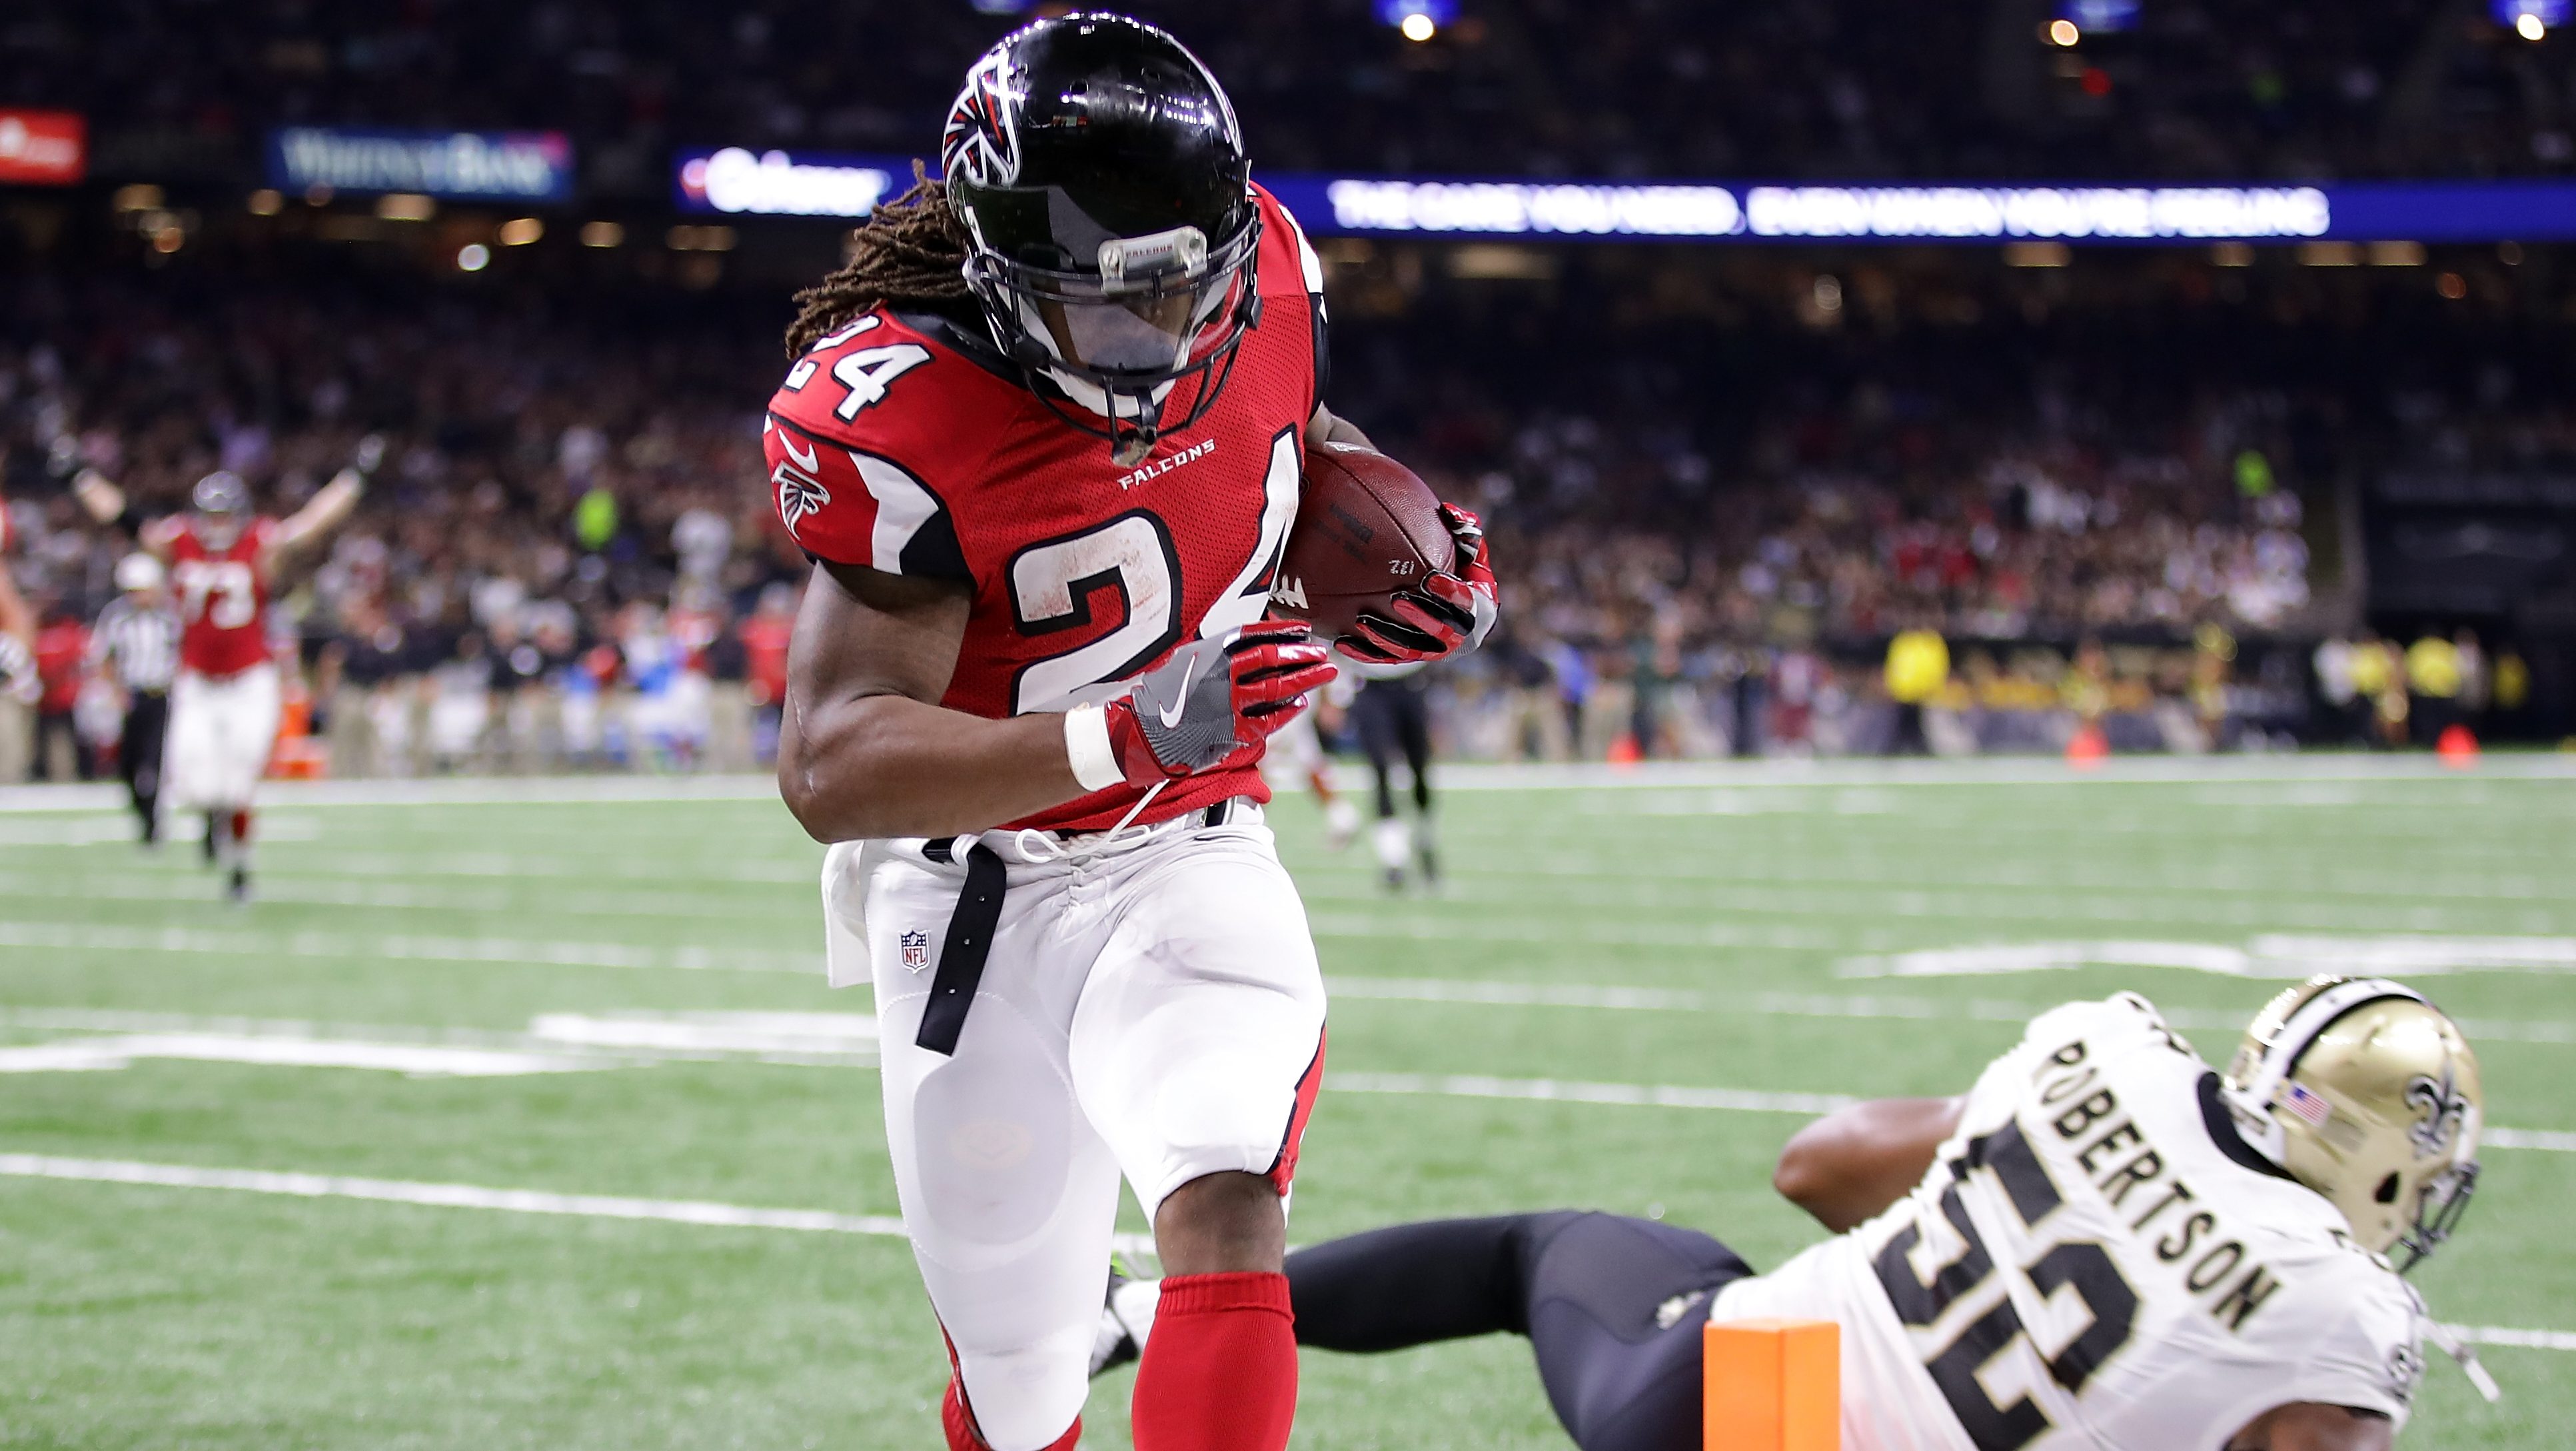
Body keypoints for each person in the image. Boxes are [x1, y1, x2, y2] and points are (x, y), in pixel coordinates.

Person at [762, 16, 1497, 1451]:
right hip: (974, 890)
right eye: (1104, 307)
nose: (1153, 339)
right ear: (998, 272)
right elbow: (830, 763)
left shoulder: (1271, 269)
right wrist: (1122, 732)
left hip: (1192, 848)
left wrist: (1395, 534)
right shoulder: (902, 414)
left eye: (1179, 292)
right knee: (1022, 1373)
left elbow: (1291, 430)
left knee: (1226, 1183)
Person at [1097, 977, 2487, 1451]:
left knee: (1562, 1251)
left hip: (1736, 1395)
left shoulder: (2107, 1047)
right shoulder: (2337, 1304)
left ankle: (1143, 1306)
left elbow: (1814, 1166)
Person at [75, 437, 381, 899]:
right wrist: (78, 477)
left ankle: (239, 868)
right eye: (211, 515)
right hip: (196, 680)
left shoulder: (260, 544)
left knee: (239, 782)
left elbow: (313, 523)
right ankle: (211, 823)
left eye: (225, 515)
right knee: (195, 784)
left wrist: (354, 479)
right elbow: (121, 515)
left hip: (250, 679)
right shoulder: (179, 542)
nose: (217, 526)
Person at [87, 553, 183, 842]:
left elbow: (186, 655)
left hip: (163, 697)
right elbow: (104, 658)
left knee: (155, 762)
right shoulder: (116, 616)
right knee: (127, 765)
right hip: (131, 697)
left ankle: (153, 824)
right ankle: (143, 813)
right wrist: (114, 693)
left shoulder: (171, 616)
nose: (138, 597)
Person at [1347, 659, 1437, 888]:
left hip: (1411, 680)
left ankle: (1424, 837)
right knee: (1380, 769)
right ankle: (1393, 858)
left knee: (1420, 770)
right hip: (1370, 685)